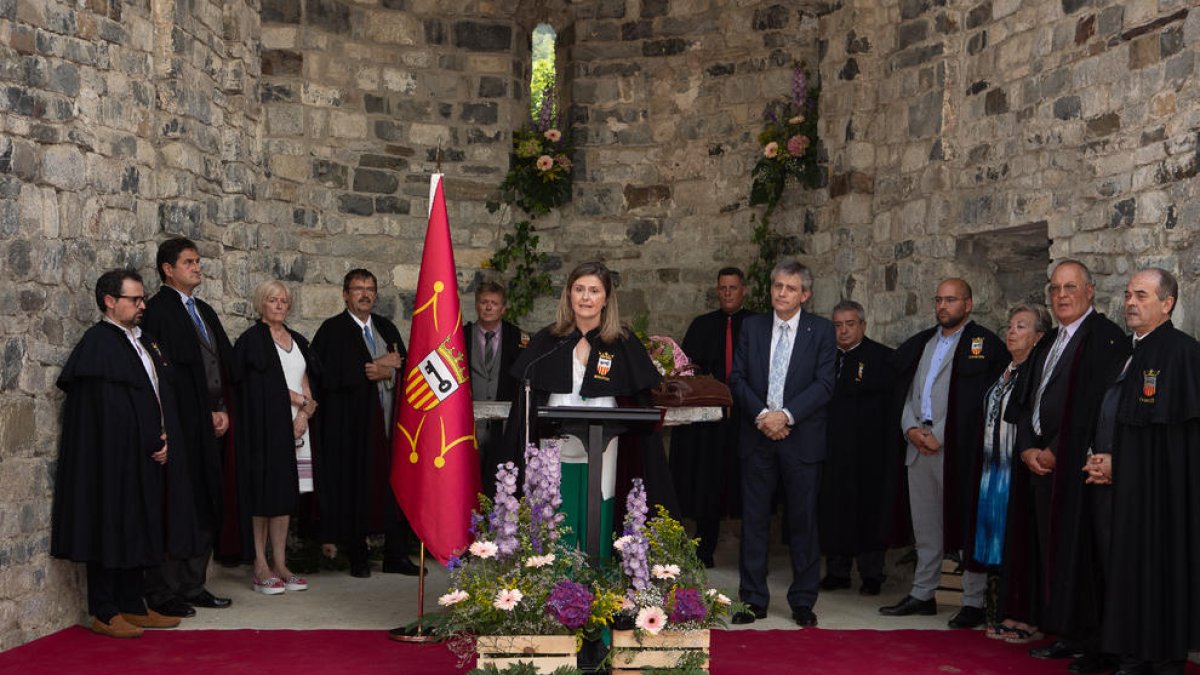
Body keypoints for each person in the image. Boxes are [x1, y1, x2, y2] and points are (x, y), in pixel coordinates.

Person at [503, 261, 679, 558]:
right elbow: (527, 401)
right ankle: (557, 580)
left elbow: (640, 398)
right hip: (555, 443)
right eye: (579, 289)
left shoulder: (622, 342)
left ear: (606, 298)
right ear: (568, 295)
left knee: (601, 504)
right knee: (558, 509)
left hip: (606, 443)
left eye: (594, 291)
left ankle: (598, 580)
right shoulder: (548, 341)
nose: (586, 298)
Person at [51, 269, 184, 637]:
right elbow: (109, 412)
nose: (142, 306)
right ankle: (105, 610)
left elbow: (156, 395)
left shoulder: (141, 340)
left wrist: (165, 436)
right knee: (109, 525)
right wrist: (146, 441)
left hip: (145, 454)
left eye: (142, 299)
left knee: (139, 526)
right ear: (110, 301)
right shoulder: (99, 343)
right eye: (135, 299)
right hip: (111, 461)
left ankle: (133, 603)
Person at [1011, 261, 1126, 671]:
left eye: (1070, 287)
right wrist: (1027, 447)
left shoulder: (1105, 339)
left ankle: (1096, 641)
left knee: (1086, 556)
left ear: (1090, 291)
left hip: (1079, 468)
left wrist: (1058, 449)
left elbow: (1095, 408)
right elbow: (1025, 399)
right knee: (1053, 553)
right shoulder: (1049, 341)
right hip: (1041, 466)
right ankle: (1068, 632)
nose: (1061, 295)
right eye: (1055, 288)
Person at [881, 278, 1007, 628]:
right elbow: (907, 392)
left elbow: (978, 401)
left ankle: (973, 601)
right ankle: (923, 594)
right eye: (938, 299)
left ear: (968, 304)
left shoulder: (984, 345)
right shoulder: (924, 344)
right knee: (926, 528)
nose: (942, 306)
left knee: (964, 524)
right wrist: (910, 429)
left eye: (951, 300)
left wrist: (940, 434)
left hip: (957, 452)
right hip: (918, 447)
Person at [1099, 269, 1200, 675]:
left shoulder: (1182, 353)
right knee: (1126, 565)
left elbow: (1178, 433)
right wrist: (1099, 452)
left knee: (1161, 565)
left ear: (1167, 303)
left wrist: (1119, 460)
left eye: (1141, 295)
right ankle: (1131, 651)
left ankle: (1162, 656)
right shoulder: (1123, 350)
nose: (1130, 302)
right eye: (1127, 294)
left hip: (1163, 489)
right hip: (1121, 484)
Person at [729, 259, 835, 628]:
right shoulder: (752, 326)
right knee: (755, 521)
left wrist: (786, 416)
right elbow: (737, 377)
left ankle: (803, 601)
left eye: (790, 288)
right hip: (758, 438)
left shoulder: (821, 330)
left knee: (803, 522)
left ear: (804, 294)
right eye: (777, 286)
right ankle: (753, 599)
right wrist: (764, 416)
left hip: (801, 439)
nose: (781, 293)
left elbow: (824, 384)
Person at [140, 238, 235, 618]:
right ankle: (165, 589)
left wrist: (222, 407)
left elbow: (221, 364)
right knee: (176, 503)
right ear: (168, 268)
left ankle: (194, 583)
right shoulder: (158, 311)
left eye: (198, 261)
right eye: (189, 262)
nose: (197, 267)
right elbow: (161, 375)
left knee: (205, 499)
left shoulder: (205, 311)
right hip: (179, 424)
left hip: (210, 422)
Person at [312, 269, 421, 578]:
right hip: (351, 426)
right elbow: (325, 375)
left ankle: (395, 554)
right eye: (358, 288)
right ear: (345, 294)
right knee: (356, 486)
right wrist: (370, 368)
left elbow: (405, 366)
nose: (364, 294)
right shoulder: (332, 330)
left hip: (389, 422)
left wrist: (386, 371)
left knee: (394, 486)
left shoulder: (386, 327)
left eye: (370, 289)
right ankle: (357, 554)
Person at [234, 280, 319, 595]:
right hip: (263, 429)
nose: (280, 305)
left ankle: (281, 563)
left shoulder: (297, 340)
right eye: (273, 300)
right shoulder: (251, 341)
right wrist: (297, 400)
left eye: (284, 300)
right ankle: (260, 565)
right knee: (263, 494)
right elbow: (254, 387)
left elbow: (308, 380)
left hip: (297, 429)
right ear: (261, 304)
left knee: (284, 495)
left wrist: (303, 414)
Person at [972, 304, 1049, 643]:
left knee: (1021, 547)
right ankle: (1006, 611)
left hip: (1018, 472)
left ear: (1039, 337)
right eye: (1010, 324)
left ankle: (1027, 617)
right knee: (1002, 547)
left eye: (1022, 326)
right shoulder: (1004, 369)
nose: (1012, 331)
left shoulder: (1036, 372)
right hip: (993, 471)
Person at [669, 266, 751, 568]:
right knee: (708, 480)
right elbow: (687, 369)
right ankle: (705, 548)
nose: (727, 293)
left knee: (747, 481)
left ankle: (752, 553)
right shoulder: (702, 325)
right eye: (722, 288)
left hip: (746, 416)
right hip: (711, 420)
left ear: (743, 290)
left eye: (732, 287)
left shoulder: (756, 324)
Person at [817, 300, 895, 597]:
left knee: (868, 511)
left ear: (863, 325)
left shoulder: (883, 358)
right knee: (834, 509)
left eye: (850, 324)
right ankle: (837, 571)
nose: (844, 330)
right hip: (833, 449)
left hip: (869, 451)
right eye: (838, 325)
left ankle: (872, 573)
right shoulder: (824, 358)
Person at [464, 281, 527, 487]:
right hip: (468, 425)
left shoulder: (518, 338)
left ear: (503, 308)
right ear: (476, 304)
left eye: (494, 303)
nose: (488, 307)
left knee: (500, 484)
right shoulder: (461, 336)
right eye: (484, 302)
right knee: (468, 481)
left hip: (505, 425)